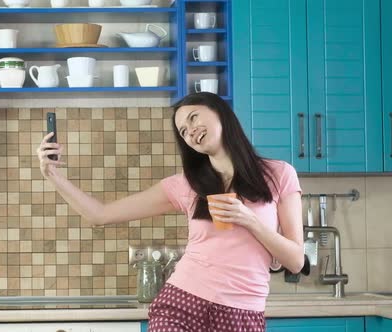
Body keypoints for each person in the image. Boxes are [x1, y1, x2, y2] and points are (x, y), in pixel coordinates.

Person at [36, 92, 304, 332]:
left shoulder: (279, 174)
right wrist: (52, 175)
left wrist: (251, 222)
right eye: (183, 131)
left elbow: (296, 261)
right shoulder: (186, 185)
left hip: (243, 314)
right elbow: (100, 214)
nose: (190, 131)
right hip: (182, 303)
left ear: (221, 112)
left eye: (194, 117)